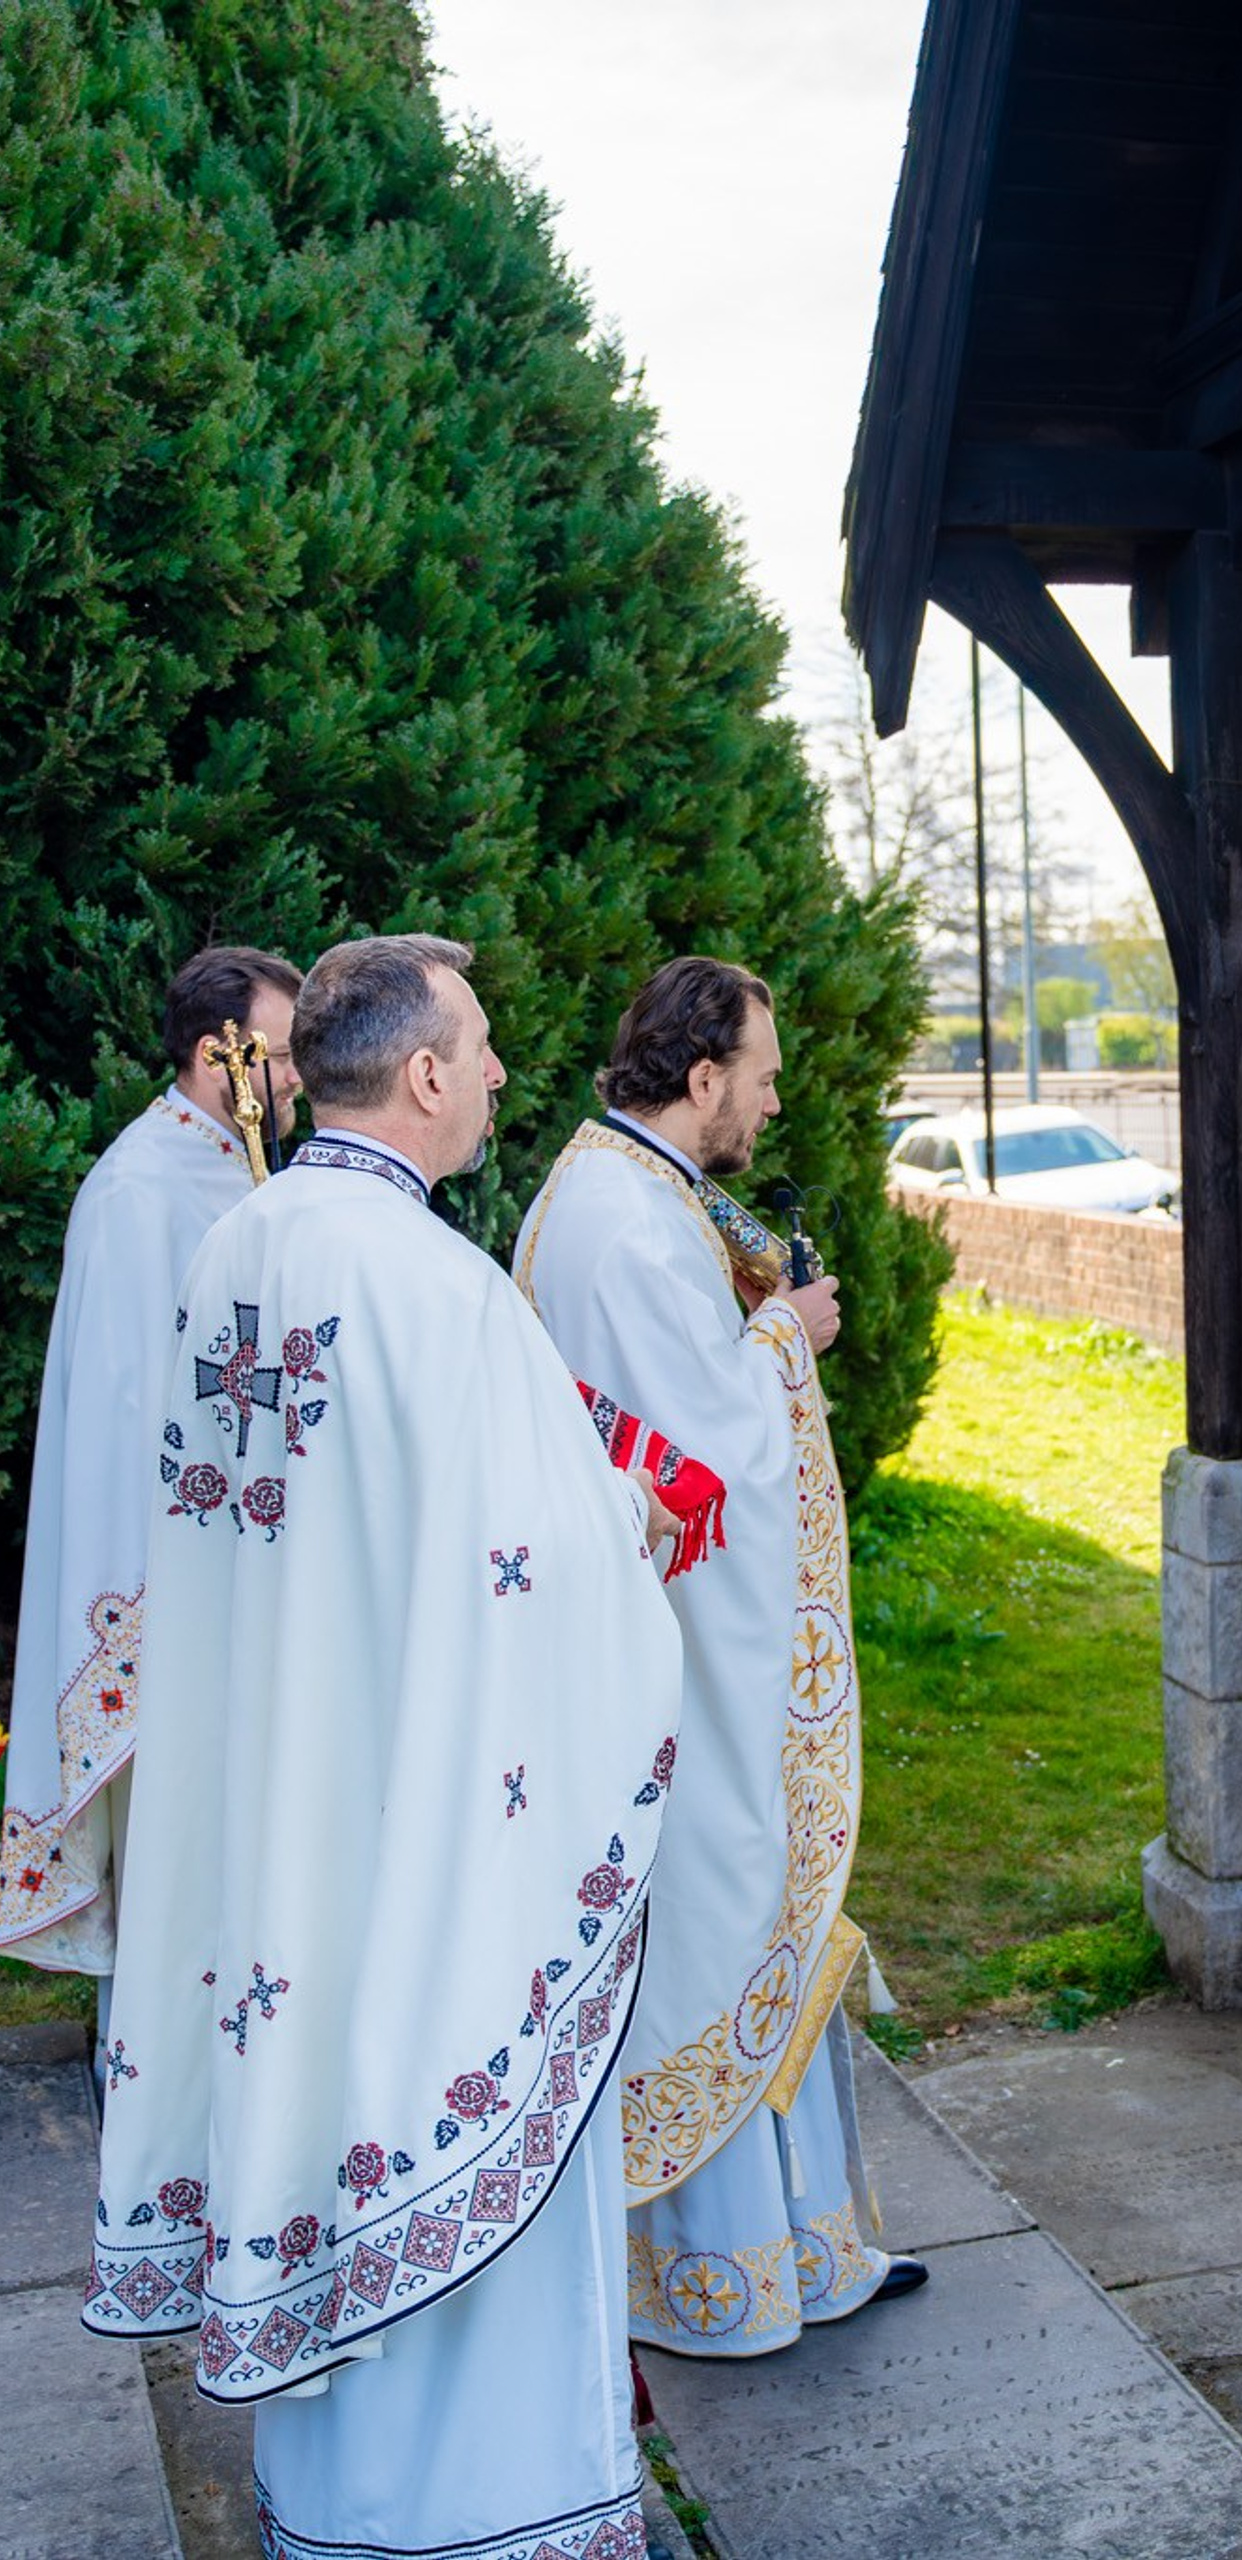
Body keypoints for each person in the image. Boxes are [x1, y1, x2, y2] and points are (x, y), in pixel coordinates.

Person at [80, 934, 684, 2560]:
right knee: (438, 2100)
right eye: (477, 1047)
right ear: (419, 1073)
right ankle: (492, 2526)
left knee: (305, 2105)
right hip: (421, 1831)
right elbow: (549, 1568)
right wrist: (633, 1514)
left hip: (280, 1797)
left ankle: (331, 2517)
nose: (494, 1073)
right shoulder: (437, 1288)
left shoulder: (241, 1247)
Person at [514, 954, 921, 2357]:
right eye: (760, 1075)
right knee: (721, 1912)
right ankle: (724, 2275)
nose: (771, 1099)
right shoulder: (625, 1225)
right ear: (701, 1080)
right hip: (677, 1653)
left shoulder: (633, 1190)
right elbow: (703, 1455)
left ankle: (804, 2250)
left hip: (665, 1637)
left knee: (749, 1919)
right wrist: (786, 1341)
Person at [1, 945, 302, 1981]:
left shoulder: (235, 1170)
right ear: (225, 1054)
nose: (299, 1075)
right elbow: (133, 1421)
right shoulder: (140, 1186)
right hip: (169, 1588)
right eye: (285, 1052)